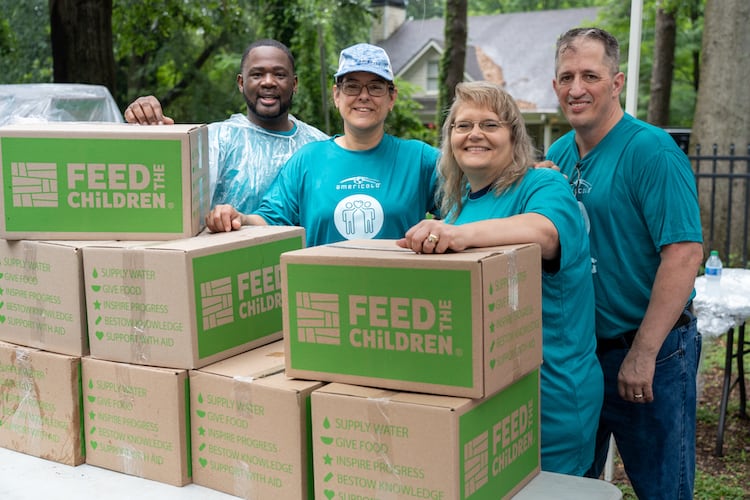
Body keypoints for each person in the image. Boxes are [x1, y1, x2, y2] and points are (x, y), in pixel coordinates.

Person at [398, 81, 603, 476]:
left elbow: (546, 232)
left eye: (489, 124)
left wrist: (456, 235)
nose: (474, 134)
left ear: (513, 135)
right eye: (462, 126)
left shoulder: (541, 184)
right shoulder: (459, 206)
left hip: (549, 400)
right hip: (488, 400)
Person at [545, 28, 704, 499]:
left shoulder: (651, 151)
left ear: (616, 83)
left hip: (649, 352)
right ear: (555, 86)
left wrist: (643, 354)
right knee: (571, 487)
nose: (577, 88)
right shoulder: (557, 156)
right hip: (579, 358)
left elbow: (684, 253)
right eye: (566, 76)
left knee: (663, 489)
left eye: (590, 75)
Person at [205, 43, 439, 247]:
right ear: (337, 96)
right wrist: (238, 217)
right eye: (352, 86)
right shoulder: (307, 160)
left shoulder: (419, 159)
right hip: (323, 294)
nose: (364, 96)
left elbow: (469, 202)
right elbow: (270, 218)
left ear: (392, 97)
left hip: (397, 296)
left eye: (376, 87)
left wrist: (441, 231)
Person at [124, 39, 328, 214]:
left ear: (294, 84)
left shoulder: (320, 146)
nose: (268, 82)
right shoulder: (211, 141)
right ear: (241, 83)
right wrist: (145, 123)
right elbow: (163, 186)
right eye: (257, 74)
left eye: (279, 75)